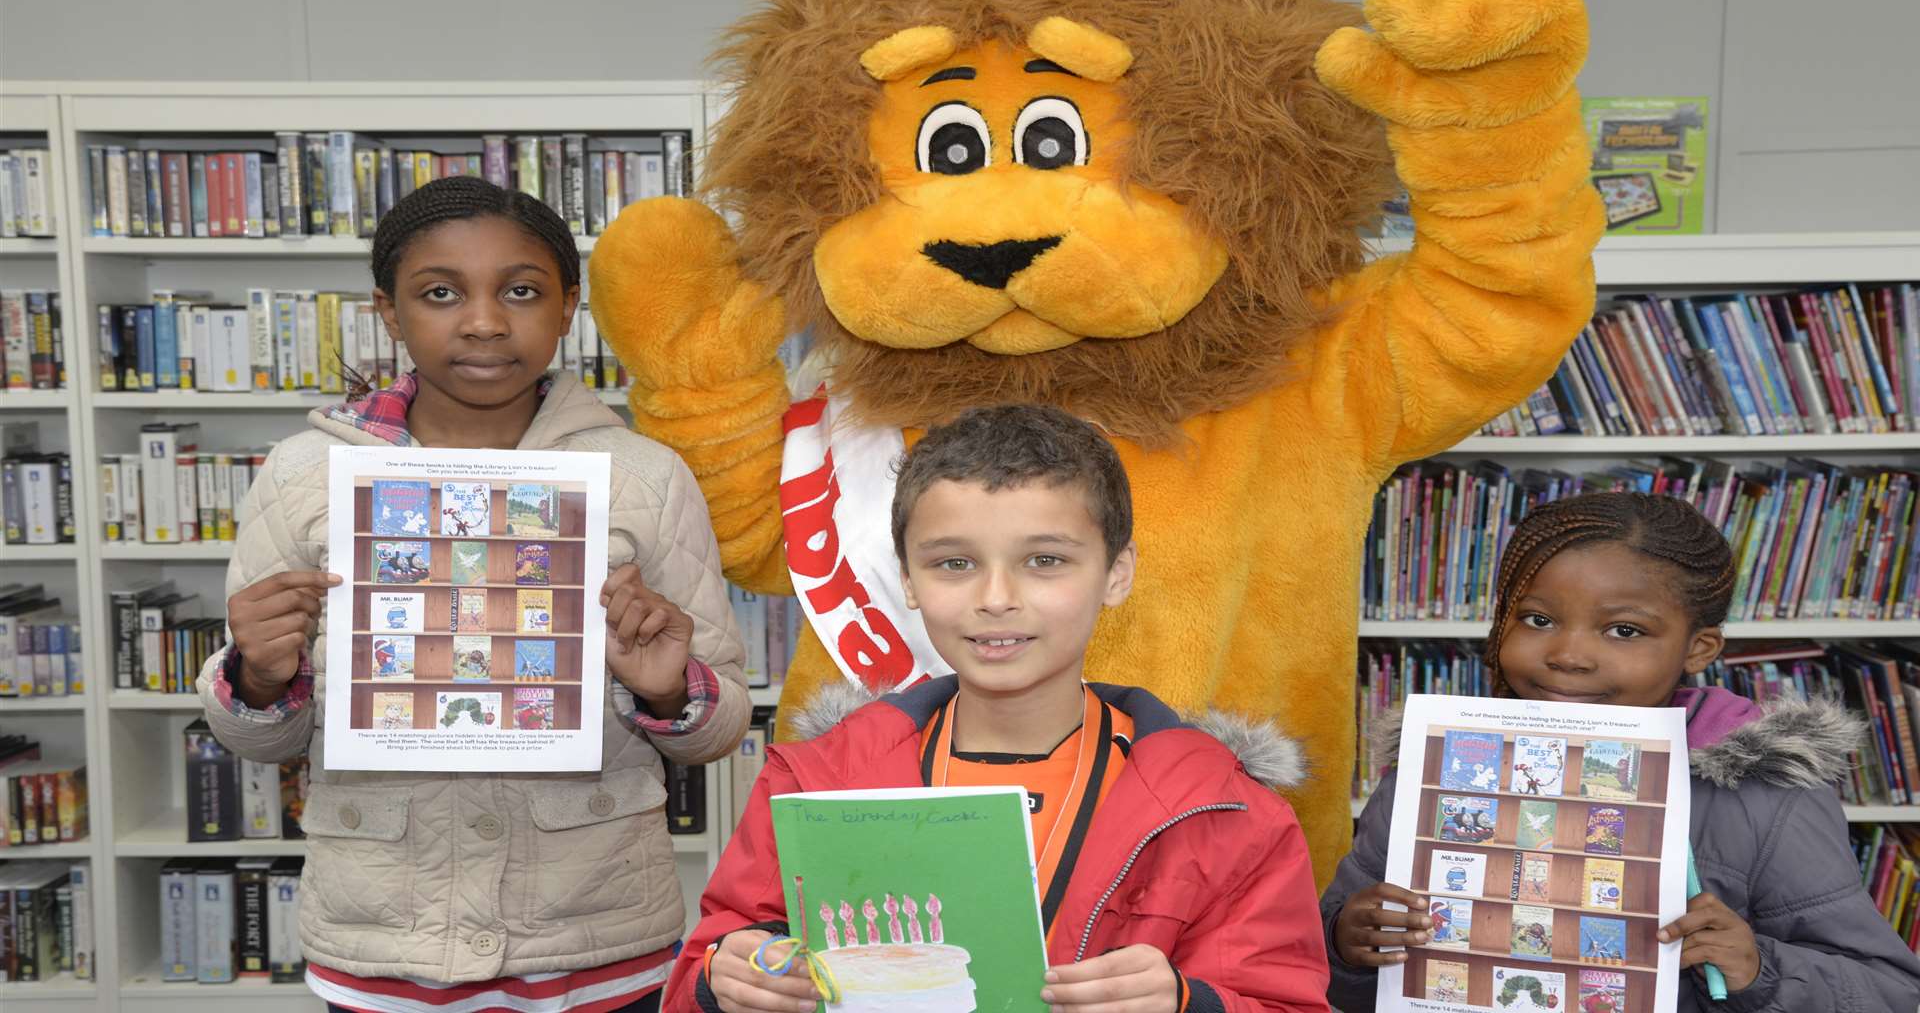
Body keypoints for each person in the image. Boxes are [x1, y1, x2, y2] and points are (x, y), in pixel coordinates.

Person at [194, 176, 751, 1013]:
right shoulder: (307, 476)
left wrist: (668, 686)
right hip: (385, 941)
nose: (485, 321)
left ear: (568, 308)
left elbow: (720, 727)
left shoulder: (641, 475)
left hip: (598, 935)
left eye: (521, 291)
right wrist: (261, 678)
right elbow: (259, 739)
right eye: (441, 293)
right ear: (388, 311)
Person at [666, 403, 1333, 1012]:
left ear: (1118, 573)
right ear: (907, 580)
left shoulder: (1221, 809)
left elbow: (1282, 996)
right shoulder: (820, 778)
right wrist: (721, 980)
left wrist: (1192, 1004)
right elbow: (717, 954)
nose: (995, 597)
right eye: (954, 564)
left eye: (1044, 560)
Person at [1321, 491, 1920, 1013]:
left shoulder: (1765, 797)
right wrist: (1348, 946)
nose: (1569, 655)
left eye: (1624, 631)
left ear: (1698, 647)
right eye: (1536, 618)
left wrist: (1757, 969)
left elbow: (1887, 992)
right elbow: (1328, 979)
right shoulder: (1435, 768)